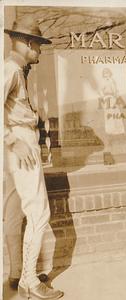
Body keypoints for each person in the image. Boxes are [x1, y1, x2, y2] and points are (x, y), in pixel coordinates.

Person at [4, 16, 64, 299]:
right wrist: (12, 140)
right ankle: (29, 280)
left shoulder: (16, 72)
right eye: (38, 46)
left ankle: (26, 275)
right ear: (28, 44)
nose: (39, 52)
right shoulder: (11, 70)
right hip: (20, 144)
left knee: (33, 212)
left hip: (22, 141)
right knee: (39, 214)